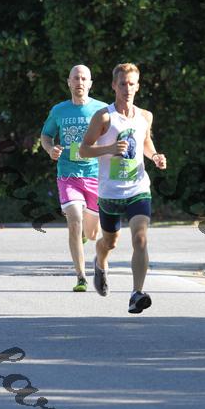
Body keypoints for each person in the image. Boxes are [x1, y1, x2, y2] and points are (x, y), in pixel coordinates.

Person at [79, 62, 166, 313]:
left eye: (132, 84)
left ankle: (137, 293)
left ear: (138, 86)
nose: (127, 88)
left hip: (138, 188)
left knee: (140, 238)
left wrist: (155, 156)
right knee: (110, 242)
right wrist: (109, 148)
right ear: (114, 86)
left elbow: (145, 142)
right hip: (110, 192)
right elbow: (84, 149)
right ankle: (100, 262)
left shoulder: (145, 116)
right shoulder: (104, 116)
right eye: (123, 84)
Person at [41, 65, 107, 292]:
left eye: (84, 78)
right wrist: (50, 149)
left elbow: (113, 137)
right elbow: (46, 135)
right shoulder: (59, 110)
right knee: (74, 219)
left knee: (92, 233)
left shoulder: (101, 109)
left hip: (95, 175)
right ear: (69, 82)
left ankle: (85, 235)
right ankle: (81, 277)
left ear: (90, 83)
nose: (79, 82)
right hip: (68, 175)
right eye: (75, 78)